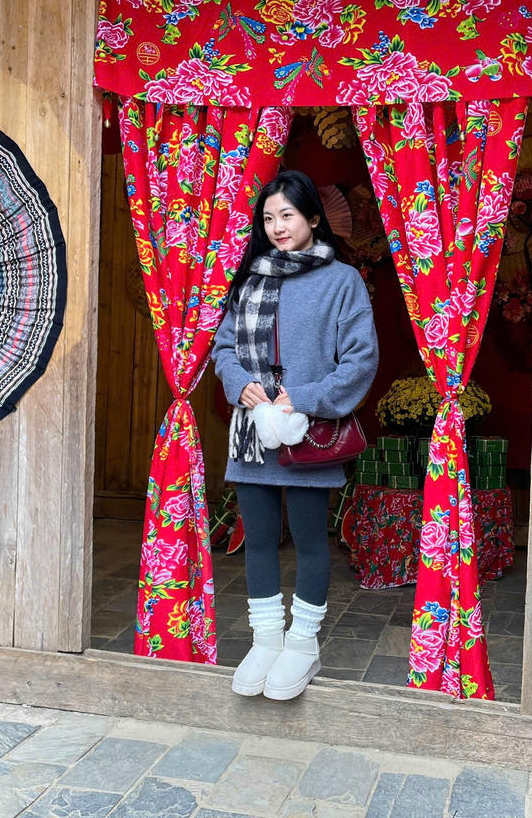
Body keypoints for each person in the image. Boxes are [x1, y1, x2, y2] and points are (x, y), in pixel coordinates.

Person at [211, 169, 378, 700]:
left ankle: (302, 645)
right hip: (253, 432)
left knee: (309, 541)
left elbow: (360, 360)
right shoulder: (250, 277)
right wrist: (240, 384)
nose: (278, 227)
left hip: (313, 431)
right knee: (258, 539)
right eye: (268, 218)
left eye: (287, 215)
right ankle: (265, 641)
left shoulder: (342, 281)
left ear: (311, 218)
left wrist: (303, 397)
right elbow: (224, 348)